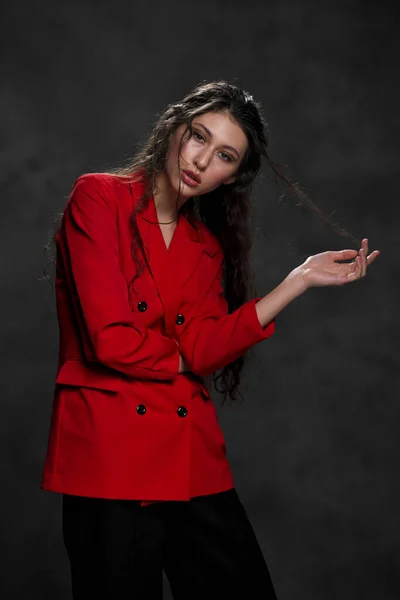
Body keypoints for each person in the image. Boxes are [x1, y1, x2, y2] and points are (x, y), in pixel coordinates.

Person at [40, 79, 379, 599]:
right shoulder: (99, 197)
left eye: (223, 156)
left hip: (191, 456)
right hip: (110, 457)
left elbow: (205, 346)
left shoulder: (206, 247)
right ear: (174, 127)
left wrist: (298, 281)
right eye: (197, 136)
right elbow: (109, 341)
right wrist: (180, 361)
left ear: (232, 177)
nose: (200, 160)